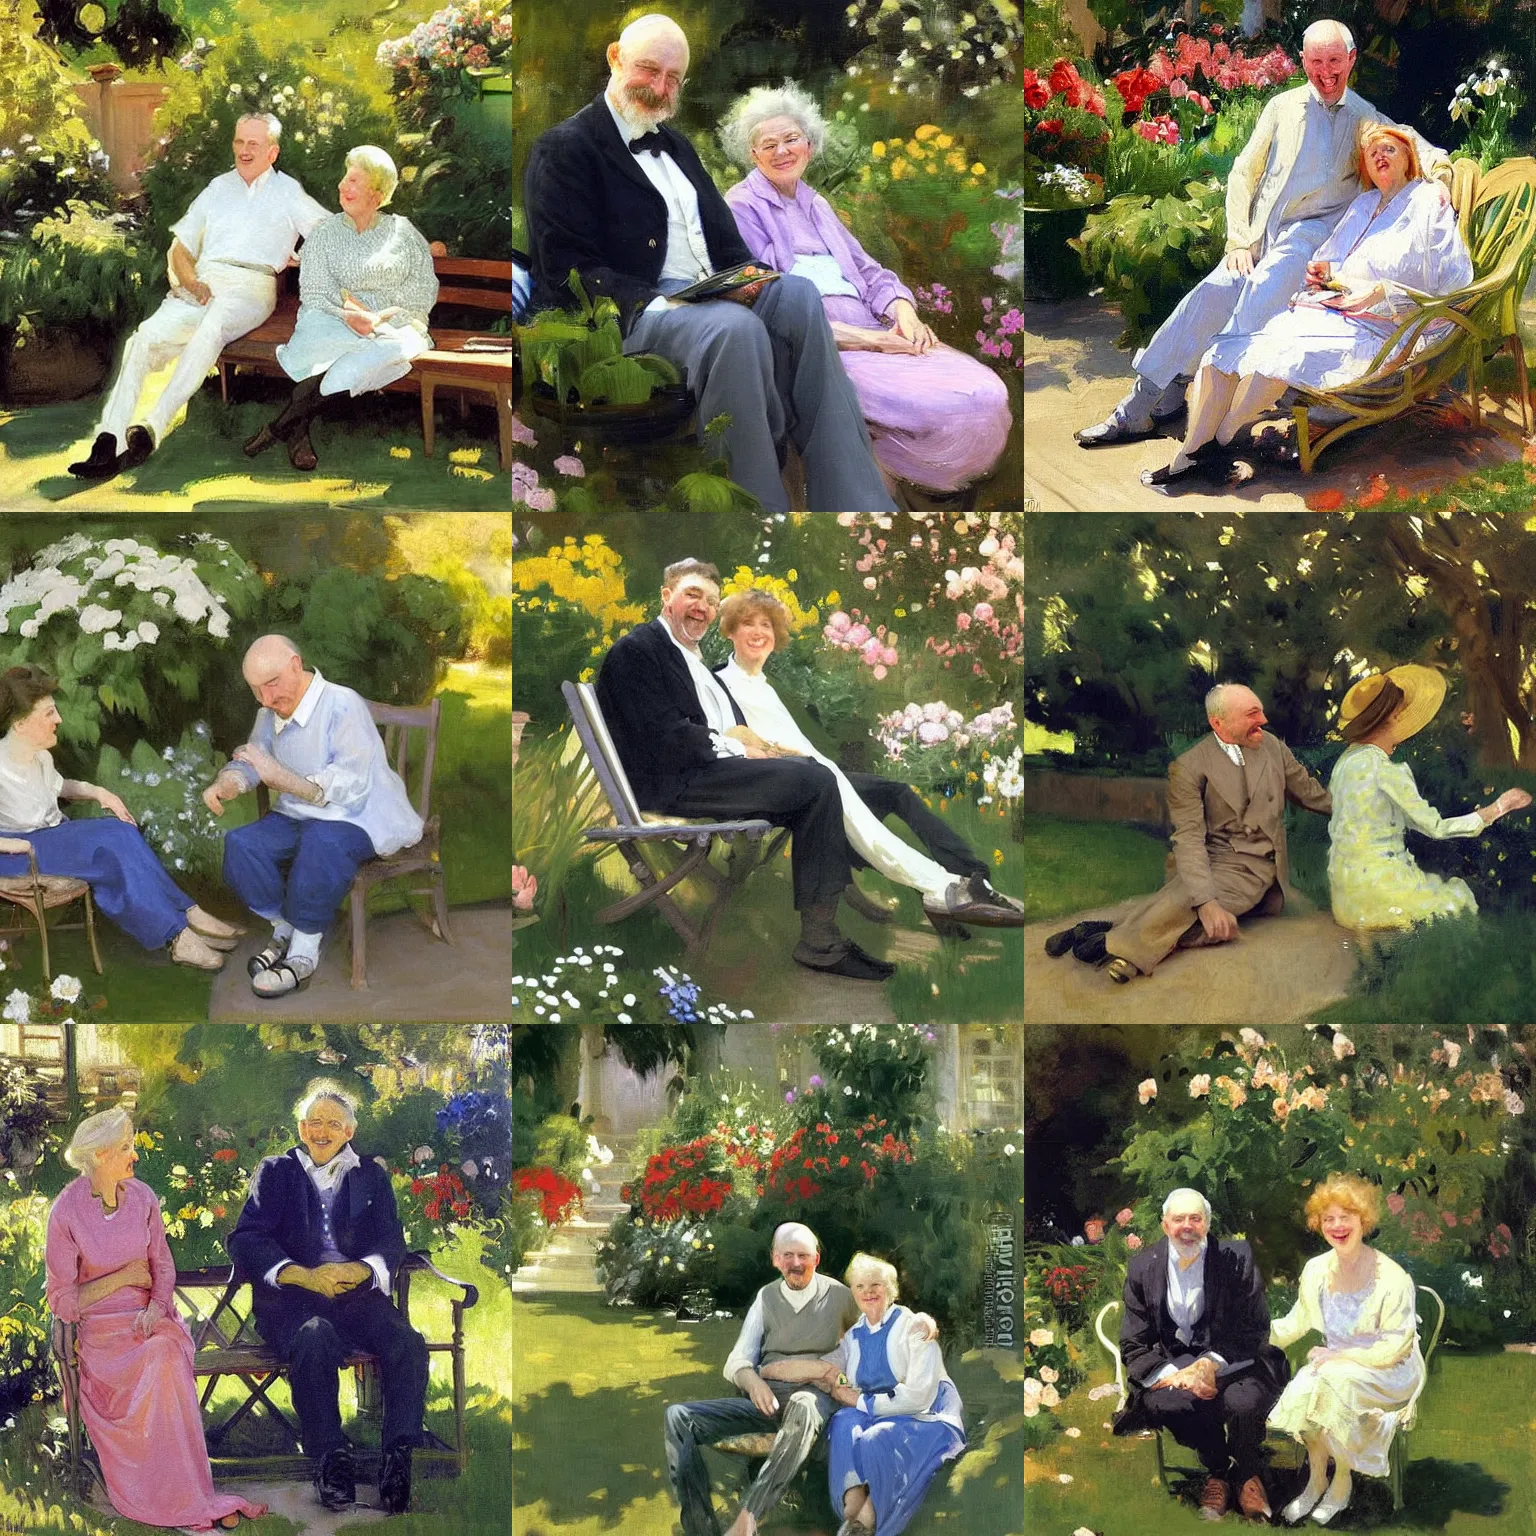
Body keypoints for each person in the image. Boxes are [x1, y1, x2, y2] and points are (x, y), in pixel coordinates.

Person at [523, 13, 897, 513]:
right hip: (628, 316)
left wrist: (747, 281)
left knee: (797, 295)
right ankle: (759, 515)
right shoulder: (565, 148)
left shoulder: (677, 146)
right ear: (615, 57)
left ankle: (854, 500)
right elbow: (564, 268)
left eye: (673, 78)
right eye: (649, 70)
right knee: (733, 329)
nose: (660, 87)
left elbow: (729, 247)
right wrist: (670, 300)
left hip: (706, 293)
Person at [1075, 20, 1450, 451]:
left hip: (1316, 243)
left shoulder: (1364, 116)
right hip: (1267, 234)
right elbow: (1243, 173)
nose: (1326, 73)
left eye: (1335, 62)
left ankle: (1207, 423)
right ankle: (1143, 403)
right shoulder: (1282, 107)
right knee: (1217, 288)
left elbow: (1413, 145)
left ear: (1351, 60)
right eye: (1316, 62)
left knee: (1258, 295)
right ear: (1304, 62)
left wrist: (1439, 173)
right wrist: (1238, 240)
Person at [595, 559, 885, 981]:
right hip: (669, 783)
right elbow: (664, 737)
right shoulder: (638, 651)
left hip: (699, 771)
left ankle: (826, 929)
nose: (702, 608)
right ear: (666, 596)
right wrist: (739, 749)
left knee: (810, 776)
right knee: (817, 782)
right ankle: (820, 941)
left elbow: (717, 725)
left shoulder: (689, 656)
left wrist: (755, 746)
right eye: (693, 594)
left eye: (711, 602)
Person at [719, 82, 1010, 499]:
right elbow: (765, 302)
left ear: (809, 145)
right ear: (753, 154)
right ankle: (871, 480)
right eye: (769, 145)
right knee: (944, 405)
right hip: (824, 348)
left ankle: (886, 472)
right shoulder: (742, 206)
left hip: (878, 332)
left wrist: (905, 316)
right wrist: (873, 342)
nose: (781, 151)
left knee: (986, 394)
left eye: (790, 140)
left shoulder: (814, 203)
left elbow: (871, 273)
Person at [1143, 124, 1474, 486]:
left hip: (1387, 330)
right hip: (1331, 312)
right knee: (1223, 354)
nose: (1380, 156)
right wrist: (1323, 271)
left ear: (1409, 157)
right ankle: (1197, 452)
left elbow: (1455, 283)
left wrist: (1384, 292)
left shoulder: (1428, 201)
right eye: (1372, 152)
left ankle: (1209, 447)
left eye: (1390, 149)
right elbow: (1331, 258)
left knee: (1278, 359)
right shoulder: (1363, 204)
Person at [715, 588, 1023, 934]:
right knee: (845, 800)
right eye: (747, 624)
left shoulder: (767, 685)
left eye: (766, 625)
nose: (759, 633)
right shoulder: (721, 684)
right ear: (730, 631)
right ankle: (943, 888)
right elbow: (730, 742)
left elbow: (806, 738)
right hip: (782, 783)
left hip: (813, 769)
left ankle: (970, 875)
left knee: (894, 791)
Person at [68, 113, 328, 479]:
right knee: (144, 339)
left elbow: (330, 233)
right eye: (239, 142)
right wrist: (190, 281)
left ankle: (152, 427)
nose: (244, 150)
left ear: (272, 152)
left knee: (213, 324)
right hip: (204, 281)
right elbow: (180, 247)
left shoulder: (288, 192)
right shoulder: (218, 187)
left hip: (251, 286)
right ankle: (108, 439)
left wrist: (302, 254)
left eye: (253, 144)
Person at [45, 1107, 268, 1530]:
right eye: (126, 1148)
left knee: (165, 1352)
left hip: (149, 1322)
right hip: (102, 1337)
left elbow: (162, 1267)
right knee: (156, 1361)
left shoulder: (143, 1198)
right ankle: (165, 1503)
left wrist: (154, 1306)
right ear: (100, 1155)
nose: (135, 1156)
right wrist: (124, 1277)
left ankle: (191, 1497)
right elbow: (63, 1301)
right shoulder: (67, 1212)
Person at [227, 1080, 428, 1516]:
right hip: (294, 1299)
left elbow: (392, 1239)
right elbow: (246, 1238)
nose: (322, 1131)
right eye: (313, 1122)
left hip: (355, 1295)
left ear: (349, 1132)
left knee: (407, 1342)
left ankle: (397, 1460)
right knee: (314, 1336)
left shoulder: (369, 1174)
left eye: (332, 1124)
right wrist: (301, 1274)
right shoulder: (276, 1171)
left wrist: (358, 1270)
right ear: (301, 1128)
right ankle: (331, 1459)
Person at [1043, 682, 1332, 983]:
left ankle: (1106, 940)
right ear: (1218, 722)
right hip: (1214, 861)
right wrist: (1206, 903)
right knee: (1199, 912)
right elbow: (1189, 838)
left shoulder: (1273, 746)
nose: (1263, 720)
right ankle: (1116, 947)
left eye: (1260, 711)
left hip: (1258, 869)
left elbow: (1310, 792)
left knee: (1191, 911)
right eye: (1252, 714)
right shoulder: (1189, 766)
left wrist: (1354, 809)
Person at [663, 1224, 937, 1536]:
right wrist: (753, 1383)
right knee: (678, 1417)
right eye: (788, 1256)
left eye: (803, 1256)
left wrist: (921, 1320)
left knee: (804, 1404)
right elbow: (738, 1360)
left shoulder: (839, 1296)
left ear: (816, 1259)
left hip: (815, 1397)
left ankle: (749, 1517)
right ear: (775, 1260)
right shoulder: (766, 1298)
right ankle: (701, 1530)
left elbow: (879, 1317)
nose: (796, 1263)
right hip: (765, 1399)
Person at [201, 635, 423, 998]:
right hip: (300, 813)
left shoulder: (342, 703)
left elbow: (352, 785)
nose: (266, 699)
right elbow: (254, 759)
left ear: (295, 665)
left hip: (360, 814)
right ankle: (284, 926)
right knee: (242, 845)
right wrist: (231, 781)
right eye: (256, 690)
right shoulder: (267, 714)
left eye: (271, 685)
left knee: (323, 843)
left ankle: (303, 951)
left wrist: (284, 779)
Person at [0, 664, 243, 970]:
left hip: (53, 840)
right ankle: (181, 927)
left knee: (119, 839)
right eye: (49, 714)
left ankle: (183, 926)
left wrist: (101, 793)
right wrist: (12, 845)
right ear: (20, 723)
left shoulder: (40, 756)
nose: (58, 720)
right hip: (20, 854)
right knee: (114, 838)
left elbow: (61, 787)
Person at [243, 145, 438, 471]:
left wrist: (385, 318)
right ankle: (295, 428)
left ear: (377, 193)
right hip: (333, 314)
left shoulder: (403, 233)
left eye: (354, 182)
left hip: (393, 325)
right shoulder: (325, 234)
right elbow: (316, 292)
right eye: (344, 180)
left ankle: (280, 428)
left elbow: (421, 288)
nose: (342, 187)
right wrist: (349, 314)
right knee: (322, 342)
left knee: (384, 349)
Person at [1113, 1188, 1291, 1522]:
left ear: (1207, 1223)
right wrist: (1177, 1375)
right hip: (1175, 1363)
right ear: (1165, 1225)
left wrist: (1210, 1364)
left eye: (1195, 1218)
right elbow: (1134, 1342)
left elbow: (1254, 1328)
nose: (1187, 1226)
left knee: (1244, 1402)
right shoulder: (1143, 1266)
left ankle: (1248, 1474)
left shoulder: (1235, 1257)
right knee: (1166, 1402)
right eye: (1178, 1219)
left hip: (1236, 1360)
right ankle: (1218, 1470)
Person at [1267, 1174, 1427, 1525]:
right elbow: (1297, 1322)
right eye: (1329, 1219)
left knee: (1333, 1382)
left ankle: (1341, 1481)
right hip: (1335, 1366)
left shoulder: (1392, 1277)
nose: (1337, 1226)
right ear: (1319, 1224)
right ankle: (1316, 1479)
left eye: (1346, 1217)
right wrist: (1251, 1337)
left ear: (1363, 1220)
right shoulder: (1316, 1270)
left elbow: (1394, 1346)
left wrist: (1339, 1357)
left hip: (1390, 1370)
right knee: (1305, 1388)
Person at [1327, 664, 1530, 930]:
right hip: (1376, 893)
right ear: (1391, 717)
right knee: (1458, 902)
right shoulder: (1386, 771)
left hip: (1344, 894)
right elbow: (1435, 828)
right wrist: (1497, 808)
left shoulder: (1345, 762)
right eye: (1400, 711)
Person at [812, 1254, 965, 1536]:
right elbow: (825, 1367)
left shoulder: (915, 1327)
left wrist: (859, 1400)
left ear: (891, 1289)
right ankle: (852, 1512)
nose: (868, 1292)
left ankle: (874, 1522)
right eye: (860, 1286)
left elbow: (919, 1396)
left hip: (925, 1413)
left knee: (874, 1438)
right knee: (843, 1422)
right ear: (853, 1293)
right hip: (878, 1412)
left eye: (875, 1285)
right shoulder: (855, 1334)